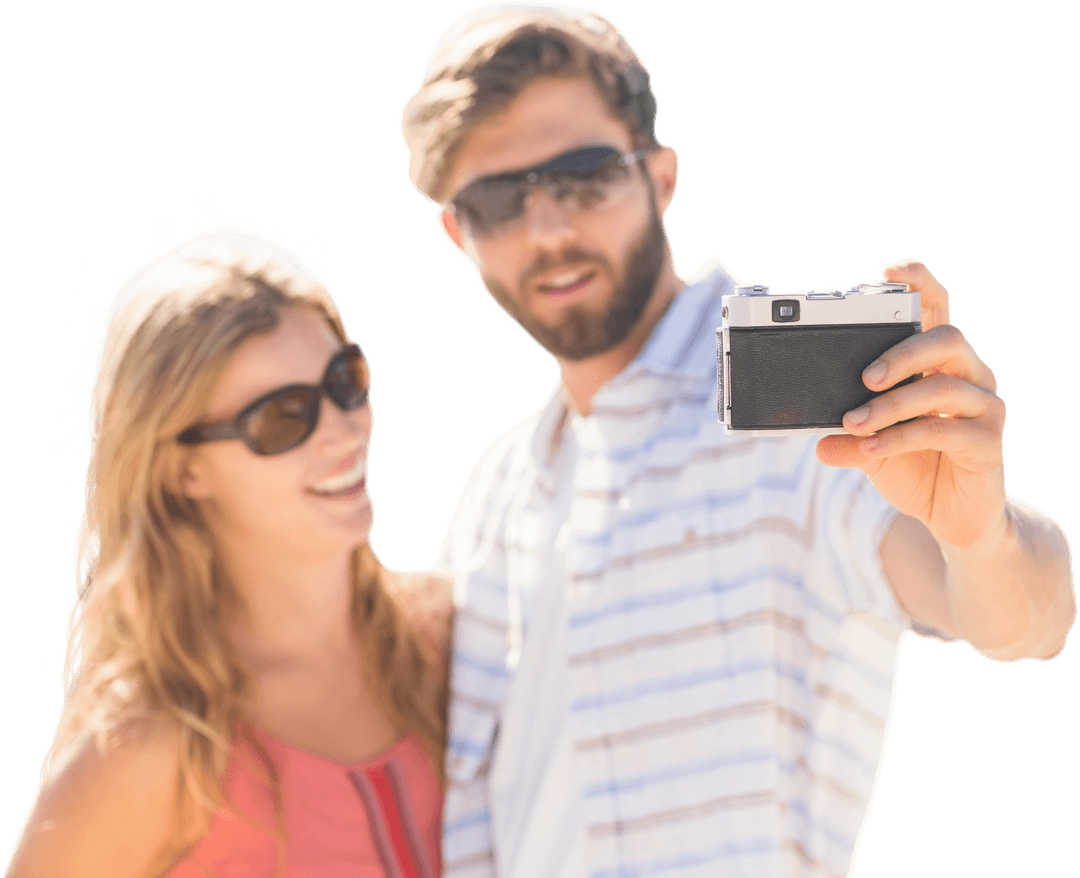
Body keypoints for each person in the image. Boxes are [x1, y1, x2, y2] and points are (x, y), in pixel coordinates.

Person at [399, 3, 1078, 877]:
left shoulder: (802, 418)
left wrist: (980, 533)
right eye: (498, 198)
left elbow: (1027, 615)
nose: (551, 229)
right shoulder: (495, 489)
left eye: (583, 175)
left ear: (660, 174)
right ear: (459, 233)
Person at [3, 224, 451, 877]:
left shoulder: (451, 641)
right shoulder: (149, 750)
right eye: (281, 417)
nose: (343, 429)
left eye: (344, 379)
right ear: (181, 471)